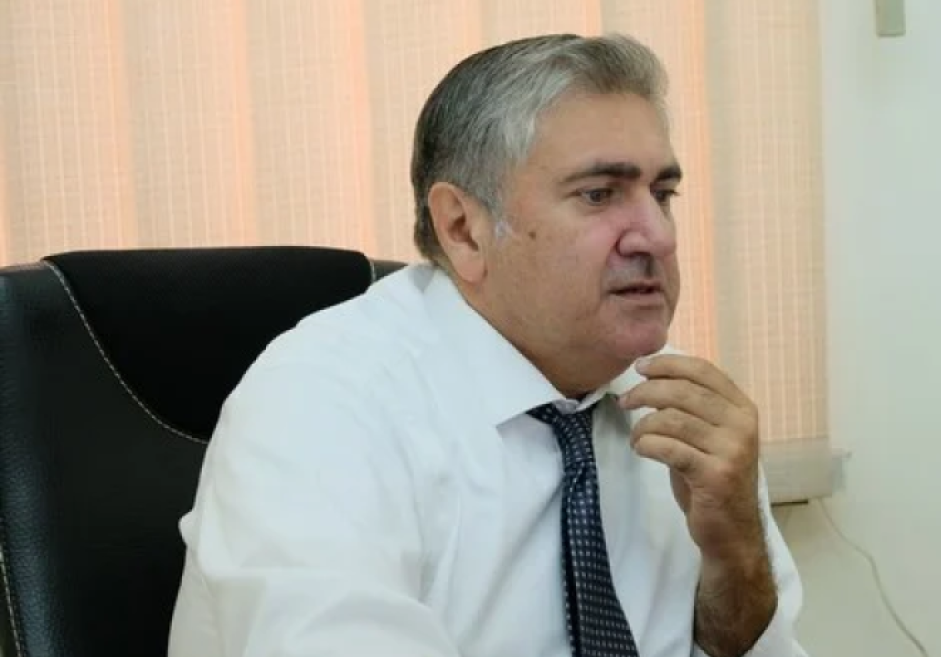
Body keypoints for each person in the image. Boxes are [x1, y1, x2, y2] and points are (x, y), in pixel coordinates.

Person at [168, 33, 807, 657]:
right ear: (463, 229)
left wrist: (738, 557)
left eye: (662, 195)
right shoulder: (319, 406)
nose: (658, 237)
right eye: (599, 195)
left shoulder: (677, 407)